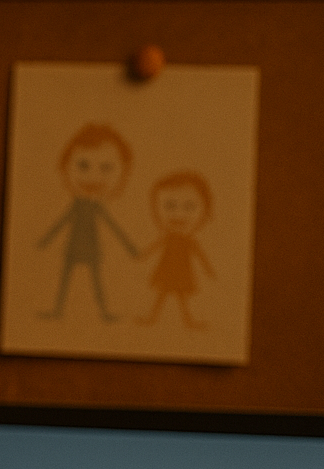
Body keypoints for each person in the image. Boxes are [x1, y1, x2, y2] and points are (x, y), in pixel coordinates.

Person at [37, 123, 139, 322]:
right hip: (73, 247)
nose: (93, 177)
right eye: (83, 165)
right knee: (65, 280)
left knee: (96, 281)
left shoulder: (96, 207)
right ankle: (58, 310)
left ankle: (104, 312)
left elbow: (113, 227)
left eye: (106, 168)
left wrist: (129, 246)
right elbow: (61, 223)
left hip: (92, 248)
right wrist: (45, 240)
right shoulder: (76, 205)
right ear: (65, 167)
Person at [135, 170, 215, 329]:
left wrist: (209, 270)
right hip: (167, 270)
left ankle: (186, 321)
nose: (178, 214)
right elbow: (154, 247)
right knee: (164, 295)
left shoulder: (189, 241)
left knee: (179, 297)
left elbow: (200, 256)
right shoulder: (168, 238)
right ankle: (154, 318)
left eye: (189, 207)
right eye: (170, 206)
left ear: (205, 211)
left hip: (182, 272)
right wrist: (142, 256)